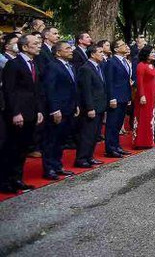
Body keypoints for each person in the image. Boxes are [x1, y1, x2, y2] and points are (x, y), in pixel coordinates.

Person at [0, 34, 44, 193]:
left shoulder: (34, 64)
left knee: (23, 148)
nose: (39, 46)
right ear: (25, 47)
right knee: (11, 148)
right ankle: (5, 182)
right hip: (17, 114)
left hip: (31, 112)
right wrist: (15, 113)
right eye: (36, 43)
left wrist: (39, 110)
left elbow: (36, 90)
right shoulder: (13, 64)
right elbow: (9, 91)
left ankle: (17, 179)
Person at [41, 40, 78, 180]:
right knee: (52, 140)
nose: (71, 50)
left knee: (61, 139)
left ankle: (57, 165)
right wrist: (54, 109)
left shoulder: (71, 66)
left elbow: (72, 88)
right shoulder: (52, 66)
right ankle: (49, 168)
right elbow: (50, 89)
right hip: (57, 110)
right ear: (58, 52)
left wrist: (76, 105)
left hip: (69, 108)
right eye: (67, 48)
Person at [75, 44, 107, 168]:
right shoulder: (86, 68)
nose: (103, 55)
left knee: (94, 134)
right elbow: (86, 90)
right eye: (100, 52)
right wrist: (90, 108)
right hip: (91, 107)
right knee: (87, 134)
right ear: (92, 54)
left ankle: (89, 156)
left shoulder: (99, 67)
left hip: (100, 106)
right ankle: (81, 158)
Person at [103, 40, 133, 158]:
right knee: (112, 124)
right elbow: (109, 81)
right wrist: (112, 98)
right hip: (115, 97)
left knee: (118, 123)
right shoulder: (111, 62)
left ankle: (116, 146)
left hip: (124, 96)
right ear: (115, 49)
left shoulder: (125, 61)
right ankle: (110, 148)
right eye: (122, 45)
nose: (126, 46)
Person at [133, 46, 155, 149]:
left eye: (153, 52)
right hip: (144, 94)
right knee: (142, 117)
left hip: (151, 94)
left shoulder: (151, 65)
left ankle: (148, 141)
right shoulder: (141, 65)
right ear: (146, 54)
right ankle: (140, 142)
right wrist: (142, 95)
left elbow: (153, 81)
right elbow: (140, 82)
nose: (153, 54)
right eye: (151, 52)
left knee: (149, 118)